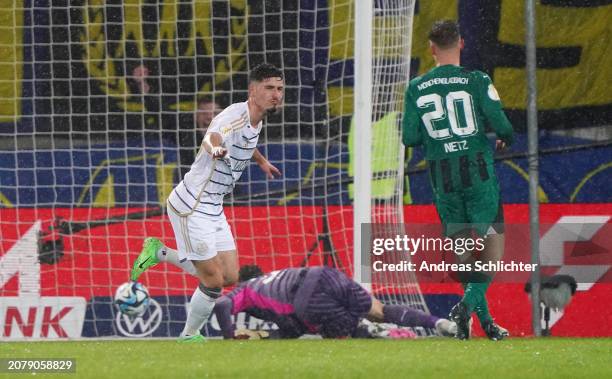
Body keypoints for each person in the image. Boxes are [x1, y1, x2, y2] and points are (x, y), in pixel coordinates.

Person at [131, 63, 285, 342]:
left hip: (214, 207)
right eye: (269, 88)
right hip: (191, 205)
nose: (276, 94)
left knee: (229, 276)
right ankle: (189, 336)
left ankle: (160, 252)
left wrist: (261, 161)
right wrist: (215, 148)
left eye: (279, 89)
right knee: (212, 281)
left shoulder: (256, 118)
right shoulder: (232, 116)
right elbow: (213, 137)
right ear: (253, 90)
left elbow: (246, 144)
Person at [401, 20, 514, 340]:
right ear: (461, 43)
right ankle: (467, 308)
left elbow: (409, 136)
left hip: (443, 178)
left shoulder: (417, 86)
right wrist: (503, 136)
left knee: (464, 251)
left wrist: (439, 137)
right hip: (477, 175)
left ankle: (483, 323)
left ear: (431, 48)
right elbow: (502, 125)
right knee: (492, 247)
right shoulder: (477, 80)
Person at [213, 265, 456, 339]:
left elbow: (222, 305)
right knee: (378, 309)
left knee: (338, 335)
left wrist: (229, 336)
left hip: (305, 301)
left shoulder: (245, 289)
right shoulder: (274, 274)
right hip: (322, 274)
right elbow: (289, 331)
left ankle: (375, 333)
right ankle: (438, 323)